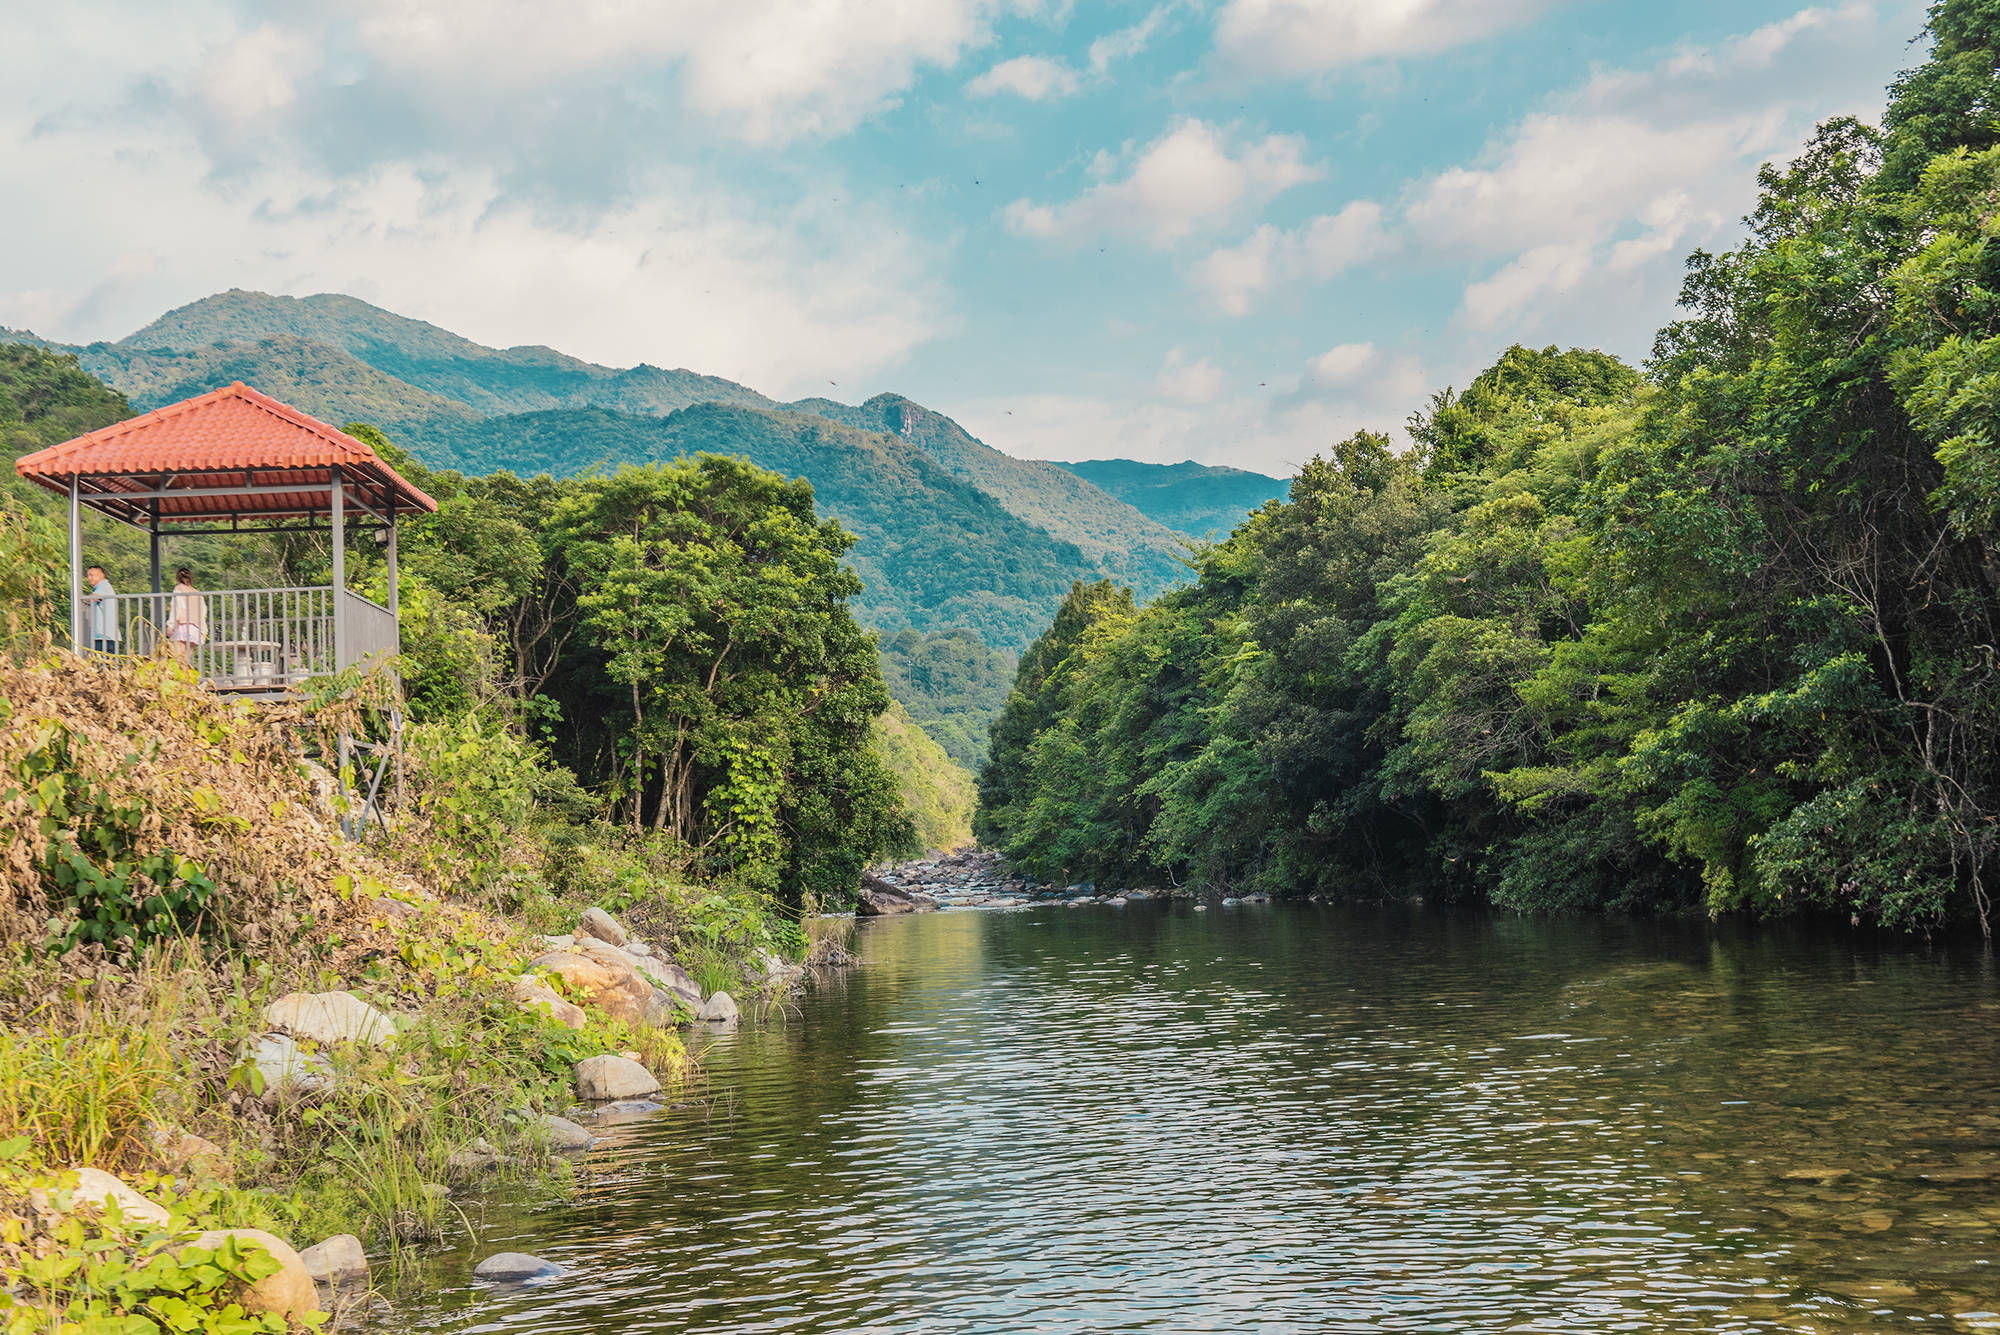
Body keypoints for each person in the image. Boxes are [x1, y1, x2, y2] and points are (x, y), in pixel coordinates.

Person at [167, 567, 207, 660]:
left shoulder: (178, 589)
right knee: (187, 659)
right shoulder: (197, 593)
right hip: (195, 628)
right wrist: (204, 630)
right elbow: (203, 612)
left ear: (177, 578)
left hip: (182, 626)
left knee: (177, 658)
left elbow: (177, 607)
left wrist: (171, 625)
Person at [84, 564, 120, 656]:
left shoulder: (103, 585)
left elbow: (93, 598)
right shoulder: (103, 587)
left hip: (105, 636)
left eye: (91, 575)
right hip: (105, 635)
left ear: (101, 575)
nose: (89, 578)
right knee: (104, 665)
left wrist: (83, 599)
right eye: (88, 575)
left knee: (103, 666)